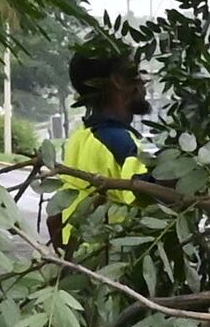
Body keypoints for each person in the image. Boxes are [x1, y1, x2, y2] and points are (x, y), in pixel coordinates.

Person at [49, 40, 149, 239]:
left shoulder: (79, 139)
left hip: (81, 265)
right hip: (113, 265)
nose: (143, 81)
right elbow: (149, 192)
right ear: (118, 81)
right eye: (135, 72)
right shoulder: (119, 143)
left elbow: (55, 219)